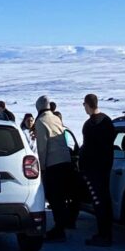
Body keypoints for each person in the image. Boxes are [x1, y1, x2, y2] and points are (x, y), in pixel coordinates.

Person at [34, 95, 77, 241]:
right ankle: (65, 224)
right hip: (65, 161)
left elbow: (42, 147)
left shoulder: (40, 122)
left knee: (55, 197)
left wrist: (42, 167)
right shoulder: (56, 119)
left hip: (53, 164)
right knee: (63, 197)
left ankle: (59, 229)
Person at [80, 93, 116, 246]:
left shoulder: (89, 125)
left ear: (87, 104)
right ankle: (105, 233)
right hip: (105, 167)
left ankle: (104, 235)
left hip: (94, 169)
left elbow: (87, 148)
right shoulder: (107, 121)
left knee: (98, 202)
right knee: (104, 200)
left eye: (84, 105)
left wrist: (83, 167)